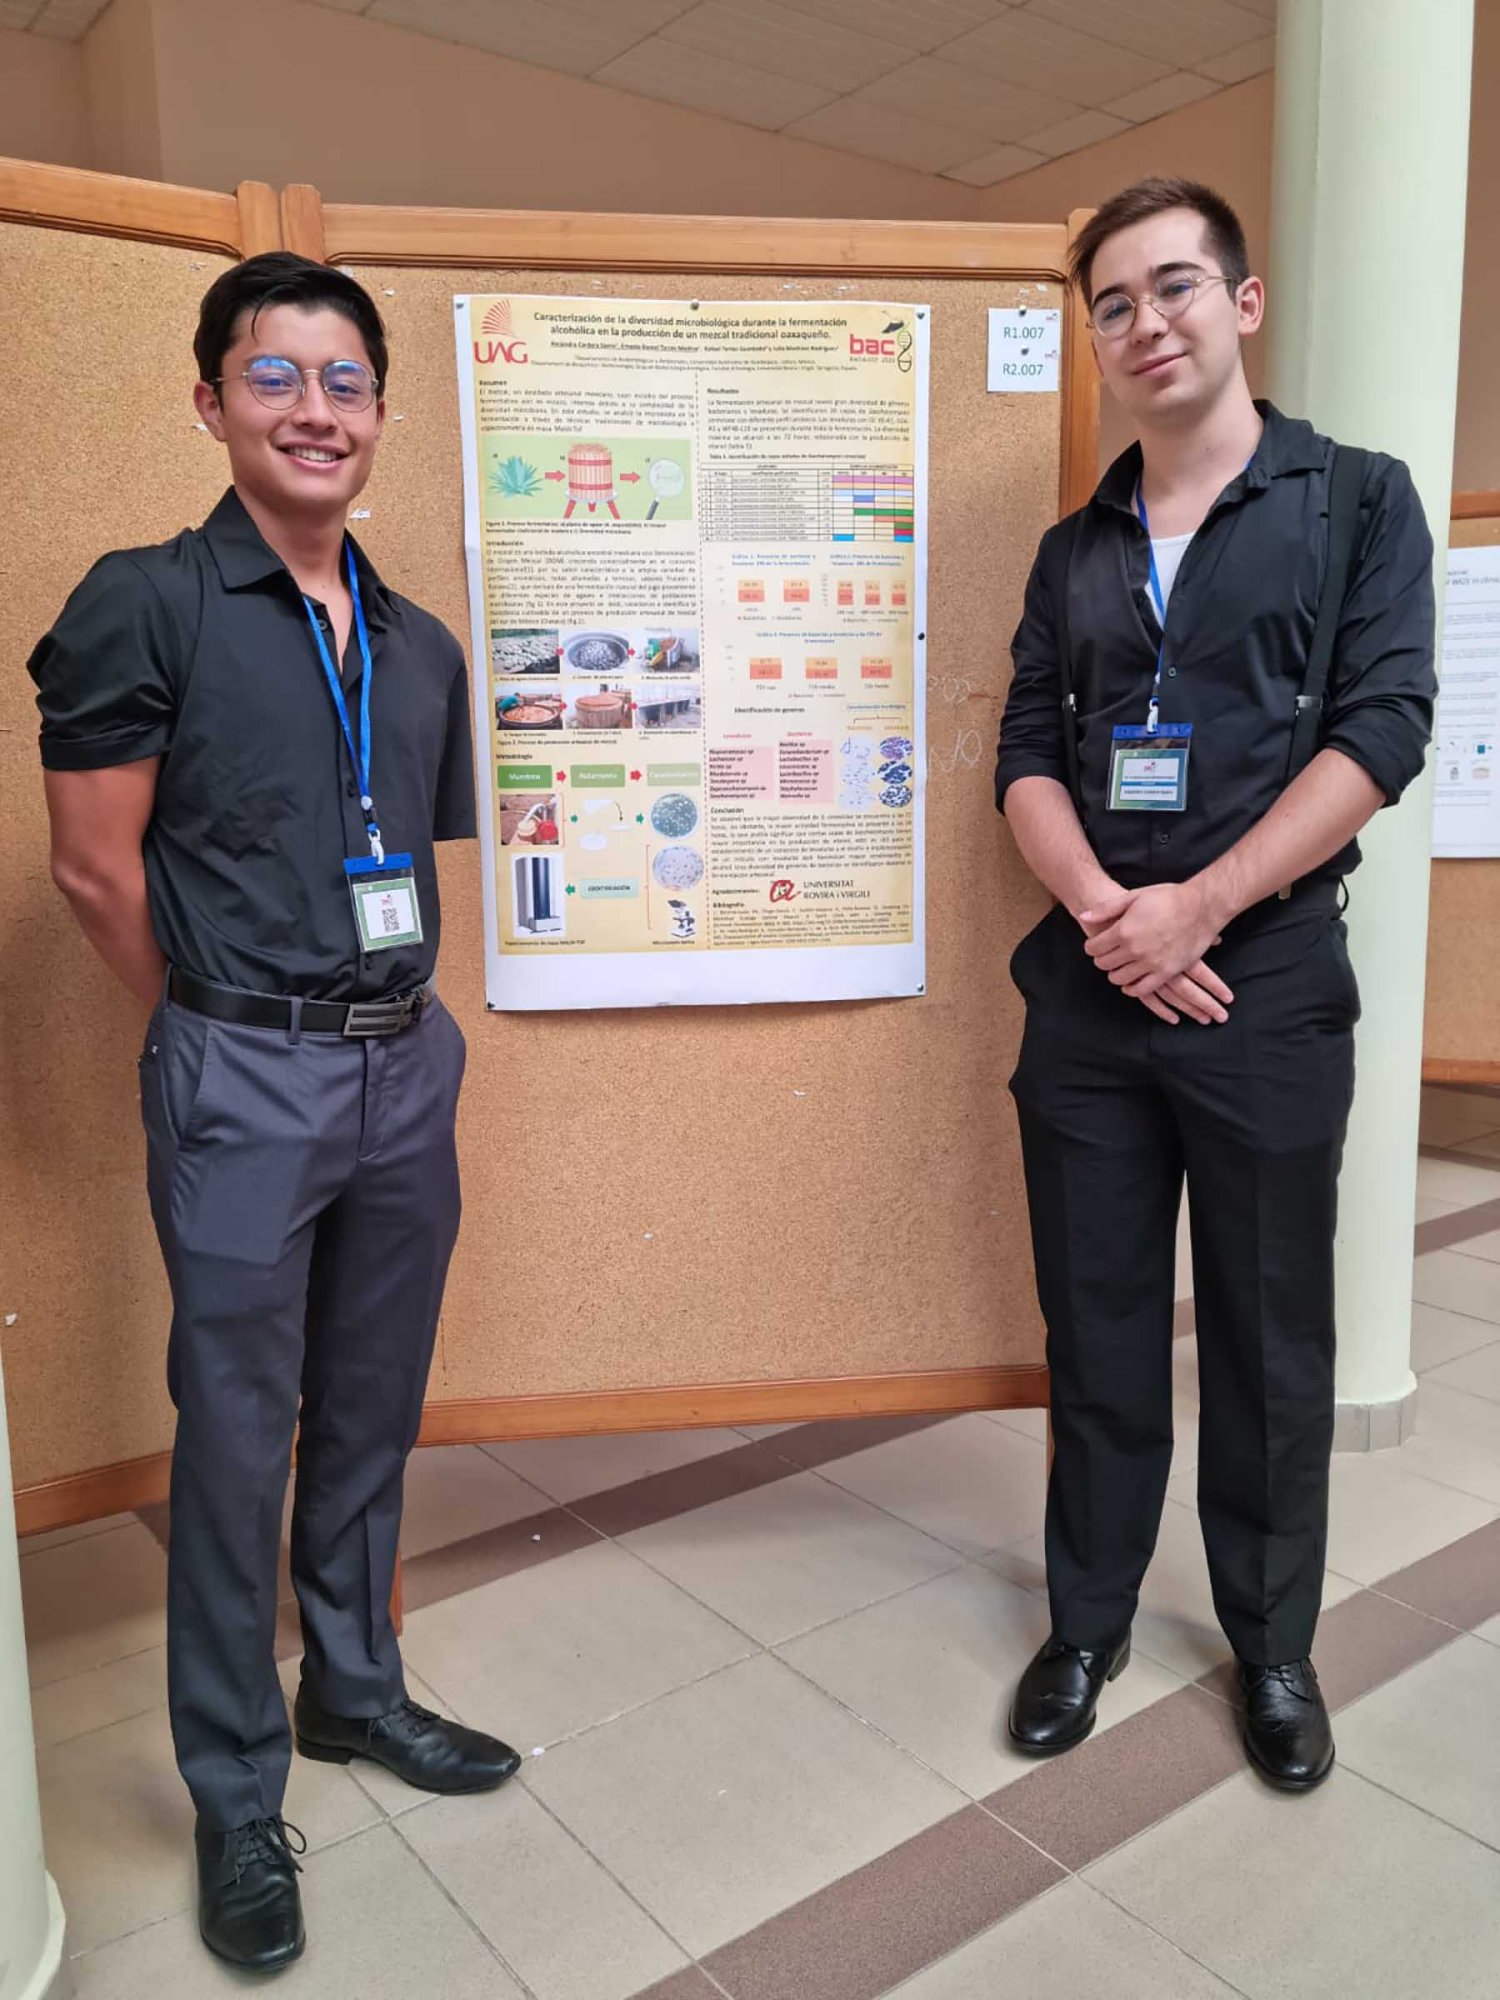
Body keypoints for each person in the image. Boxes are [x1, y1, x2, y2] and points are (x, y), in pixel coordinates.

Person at [29, 253, 519, 1973]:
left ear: (381, 412)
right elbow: (94, 873)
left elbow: (398, 854)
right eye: (274, 376)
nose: (316, 410)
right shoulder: (145, 604)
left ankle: (354, 1693)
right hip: (241, 1065)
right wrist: (218, 1026)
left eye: (346, 381)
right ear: (211, 402)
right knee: (239, 1435)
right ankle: (237, 1792)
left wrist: (373, 1041)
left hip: (406, 1062)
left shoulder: (420, 645)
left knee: (371, 1407)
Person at [994, 180, 1435, 1791]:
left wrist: (1204, 909)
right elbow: (1023, 753)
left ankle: (1272, 1646)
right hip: (1093, 991)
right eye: (1113, 302)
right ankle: (1089, 1623)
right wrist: (1112, 915)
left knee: (1266, 1334)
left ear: (1242, 304)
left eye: (1174, 285)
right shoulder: (1076, 549)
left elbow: (1383, 726)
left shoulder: (1358, 501)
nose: (1145, 322)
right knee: (1099, 1323)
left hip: (1268, 984)